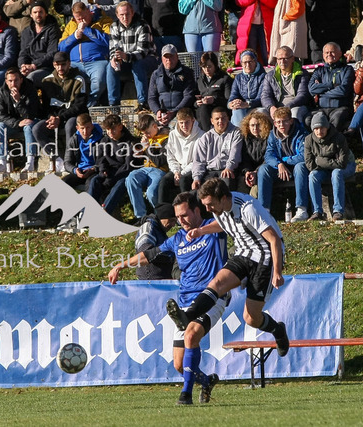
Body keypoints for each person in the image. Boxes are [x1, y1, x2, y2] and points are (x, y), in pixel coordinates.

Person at [109, 191, 228, 405]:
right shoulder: (178, 238)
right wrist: (121, 265)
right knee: (179, 365)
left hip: (213, 295)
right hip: (186, 301)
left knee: (191, 335)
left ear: (197, 210)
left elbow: (227, 222)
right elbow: (149, 255)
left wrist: (201, 230)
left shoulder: (213, 227)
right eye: (177, 217)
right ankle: (206, 381)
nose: (180, 221)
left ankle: (185, 395)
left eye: (184, 215)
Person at [166, 179, 290, 373]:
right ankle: (187, 316)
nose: (208, 209)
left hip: (264, 257)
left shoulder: (248, 209)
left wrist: (277, 272)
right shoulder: (220, 209)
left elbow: (274, 240)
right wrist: (201, 231)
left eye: (210, 204)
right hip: (243, 253)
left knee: (251, 318)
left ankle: (277, 329)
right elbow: (222, 224)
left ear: (223, 198)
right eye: (205, 205)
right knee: (216, 283)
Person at [32, 51, 88, 173]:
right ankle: (57, 159)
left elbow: (79, 106)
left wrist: (60, 118)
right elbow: (46, 107)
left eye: (63, 64)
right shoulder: (47, 81)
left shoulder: (79, 79)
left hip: (73, 116)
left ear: (69, 64)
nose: (60, 68)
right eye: (57, 65)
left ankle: (70, 160)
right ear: (53, 65)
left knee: (70, 125)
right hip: (55, 118)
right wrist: (52, 117)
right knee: (37, 129)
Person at [257, 106, 309, 221]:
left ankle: (302, 209)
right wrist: (279, 164)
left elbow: (304, 156)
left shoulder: (301, 133)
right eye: (278, 122)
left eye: (285, 121)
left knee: (300, 167)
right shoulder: (272, 135)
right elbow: (268, 155)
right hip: (280, 169)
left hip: (296, 168)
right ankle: (264, 211)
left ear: (291, 121)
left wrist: (284, 160)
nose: (281, 125)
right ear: (275, 123)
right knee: (263, 169)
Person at [58, 2, 112, 107]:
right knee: (68, 81)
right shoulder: (71, 24)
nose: (81, 21)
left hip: (97, 61)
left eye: (83, 17)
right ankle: (74, 106)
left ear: (88, 12)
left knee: (99, 82)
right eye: (78, 19)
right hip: (75, 63)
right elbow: (61, 47)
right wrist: (74, 37)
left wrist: (87, 30)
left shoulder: (103, 20)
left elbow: (109, 41)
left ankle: (89, 105)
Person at [304, 113, 356, 222]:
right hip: (325, 169)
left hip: (347, 166)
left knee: (336, 173)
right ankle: (317, 211)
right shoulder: (309, 140)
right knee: (313, 175)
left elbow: (342, 163)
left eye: (322, 128)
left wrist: (320, 161)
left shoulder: (339, 138)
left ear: (327, 127)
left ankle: (338, 211)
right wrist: (324, 163)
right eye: (316, 128)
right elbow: (310, 165)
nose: (319, 131)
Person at [106, 1, 155, 112]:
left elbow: (143, 52)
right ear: (117, 15)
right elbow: (113, 48)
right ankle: (113, 104)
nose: (125, 17)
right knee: (110, 66)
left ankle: (143, 102)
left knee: (138, 65)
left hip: (147, 59)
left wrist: (126, 56)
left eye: (127, 14)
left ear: (132, 13)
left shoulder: (142, 25)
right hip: (126, 60)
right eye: (122, 15)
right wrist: (114, 58)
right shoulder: (114, 26)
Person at [88, 114, 139, 215]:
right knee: (95, 180)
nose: (110, 132)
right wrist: (103, 170)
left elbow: (128, 166)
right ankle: (87, 211)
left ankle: (105, 212)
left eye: (113, 129)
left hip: (124, 174)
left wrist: (112, 178)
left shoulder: (131, 142)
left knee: (120, 184)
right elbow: (101, 159)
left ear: (120, 127)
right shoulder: (104, 141)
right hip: (109, 172)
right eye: (108, 130)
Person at [0, 67, 41, 173]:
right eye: (10, 81)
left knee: (28, 127)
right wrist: (17, 123)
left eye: (16, 80)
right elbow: (0, 115)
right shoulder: (2, 91)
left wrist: (18, 101)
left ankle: (30, 161)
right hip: (14, 123)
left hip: (30, 121)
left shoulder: (30, 89)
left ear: (21, 79)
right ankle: (2, 162)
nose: (13, 84)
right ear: (6, 81)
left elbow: (31, 114)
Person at [125, 114, 169, 221]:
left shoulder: (166, 139)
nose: (146, 135)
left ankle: (160, 216)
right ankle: (141, 216)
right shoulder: (148, 137)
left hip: (160, 170)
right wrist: (140, 152)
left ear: (155, 126)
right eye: (144, 134)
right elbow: (143, 157)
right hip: (146, 169)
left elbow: (159, 162)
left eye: (147, 133)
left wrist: (148, 147)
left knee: (151, 192)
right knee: (131, 178)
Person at [157, 107, 204, 202]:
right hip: (177, 169)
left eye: (187, 122)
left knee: (184, 181)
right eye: (181, 123)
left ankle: (187, 207)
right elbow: (171, 157)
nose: (184, 126)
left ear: (193, 120)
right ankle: (162, 210)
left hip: (193, 169)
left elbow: (198, 160)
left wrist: (181, 174)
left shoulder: (202, 135)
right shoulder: (173, 134)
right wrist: (176, 172)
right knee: (164, 181)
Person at [191, 107, 243, 190]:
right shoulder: (205, 137)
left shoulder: (236, 133)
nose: (220, 121)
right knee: (197, 189)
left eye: (223, 118)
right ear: (212, 121)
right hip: (210, 171)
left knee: (226, 183)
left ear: (228, 119)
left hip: (227, 169)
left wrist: (229, 167)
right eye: (217, 119)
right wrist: (196, 178)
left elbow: (235, 154)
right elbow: (198, 161)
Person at [306, 43, 354, 133]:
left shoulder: (347, 69)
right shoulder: (319, 70)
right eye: (327, 53)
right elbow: (312, 89)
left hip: (340, 108)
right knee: (308, 120)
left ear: (340, 53)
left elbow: (343, 91)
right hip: (321, 108)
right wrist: (332, 85)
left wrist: (321, 92)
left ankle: (332, 142)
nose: (329, 55)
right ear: (323, 55)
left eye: (332, 52)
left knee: (336, 120)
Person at [148, 44, 196, 128]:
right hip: (162, 115)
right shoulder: (155, 75)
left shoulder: (187, 72)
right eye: (166, 57)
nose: (169, 60)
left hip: (181, 114)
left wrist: (174, 112)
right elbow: (151, 98)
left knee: (173, 127)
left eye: (171, 57)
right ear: (162, 58)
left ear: (177, 57)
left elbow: (189, 96)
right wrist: (157, 111)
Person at [261, 45, 310, 124]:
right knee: (261, 113)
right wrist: (271, 107)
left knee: (295, 112)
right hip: (276, 107)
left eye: (285, 58)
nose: (282, 61)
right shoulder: (270, 76)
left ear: (292, 58)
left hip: (296, 106)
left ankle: (296, 132)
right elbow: (265, 95)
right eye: (279, 59)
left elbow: (303, 95)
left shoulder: (302, 74)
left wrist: (287, 107)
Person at [17, 1, 61, 88]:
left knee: (30, 78)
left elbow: (52, 53)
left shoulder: (53, 30)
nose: (38, 15)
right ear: (31, 15)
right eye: (35, 12)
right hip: (28, 68)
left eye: (41, 12)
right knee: (13, 78)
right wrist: (23, 66)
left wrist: (34, 65)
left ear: (46, 14)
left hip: (46, 68)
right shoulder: (26, 32)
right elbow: (23, 53)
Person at [62, 112, 102, 189]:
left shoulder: (100, 139)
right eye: (82, 128)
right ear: (77, 128)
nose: (85, 131)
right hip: (80, 171)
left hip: (94, 171)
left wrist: (93, 169)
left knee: (91, 184)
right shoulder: (73, 140)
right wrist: (75, 170)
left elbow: (104, 161)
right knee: (63, 182)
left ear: (92, 126)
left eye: (88, 127)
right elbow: (67, 162)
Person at [227, 49, 266, 127]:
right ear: (241, 63)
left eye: (250, 62)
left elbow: (261, 98)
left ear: (255, 62)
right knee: (237, 109)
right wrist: (232, 103)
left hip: (257, 107)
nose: (247, 65)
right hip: (243, 107)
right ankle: (239, 133)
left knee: (261, 112)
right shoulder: (238, 78)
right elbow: (233, 95)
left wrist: (247, 104)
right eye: (245, 62)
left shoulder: (263, 76)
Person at [194, 51, 232, 132]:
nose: (206, 70)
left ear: (215, 65)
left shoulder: (224, 79)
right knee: (201, 109)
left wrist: (214, 100)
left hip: (219, 109)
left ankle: (207, 133)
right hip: (202, 111)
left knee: (204, 108)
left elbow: (228, 100)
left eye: (209, 66)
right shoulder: (199, 80)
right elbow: (194, 97)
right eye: (204, 67)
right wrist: (197, 103)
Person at [238, 110, 270, 196]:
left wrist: (256, 172)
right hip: (249, 172)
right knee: (241, 183)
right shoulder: (245, 139)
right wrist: (247, 172)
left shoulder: (269, 137)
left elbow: (268, 158)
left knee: (255, 190)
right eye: (252, 125)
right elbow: (244, 159)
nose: (255, 128)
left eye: (258, 125)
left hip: (263, 171)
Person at [234, 0, 276, 65]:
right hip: (249, 24)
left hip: (267, 24)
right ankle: (251, 69)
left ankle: (270, 70)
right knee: (250, 52)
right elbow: (239, 2)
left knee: (267, 52)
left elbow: (274, 3)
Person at [268, 0, 307, 64]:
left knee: (291, 54)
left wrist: (285, 17)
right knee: (285, 54)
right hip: (288, 25)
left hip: (291, 25)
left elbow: (298, 8)